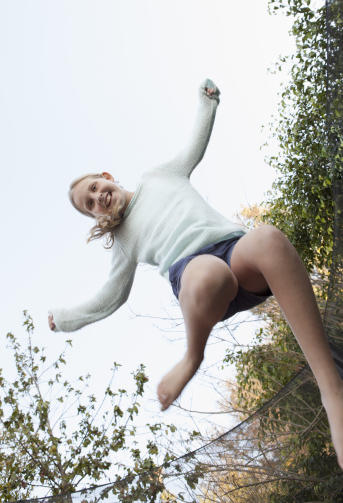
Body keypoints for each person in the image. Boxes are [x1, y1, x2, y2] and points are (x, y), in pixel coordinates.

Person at [48, 79, 343, 469]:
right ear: (96, 216)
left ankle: (330, 384)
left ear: (106, 175)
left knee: (268, 238)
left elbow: (192, 150)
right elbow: (111, 295)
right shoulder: (124, 241)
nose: (98, 197)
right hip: (195, 278)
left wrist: (207, 104)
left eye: (95, 187)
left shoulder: (157, 176)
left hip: (235, 252)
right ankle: (192, 355)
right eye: (90, 205)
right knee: (208, 274)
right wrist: (67, 318)